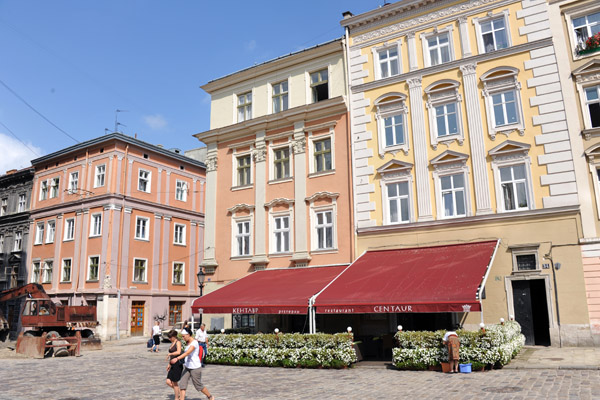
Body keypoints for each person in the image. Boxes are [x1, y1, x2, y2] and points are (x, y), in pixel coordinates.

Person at [170, 329, 214, 400]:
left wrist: (177, 359)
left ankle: (210, 396)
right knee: (182, 384)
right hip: (187, 367)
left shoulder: (194, 343)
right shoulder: (187, 342)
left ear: (188, 335)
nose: (183, 338)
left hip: (195, 368)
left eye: (184, 336)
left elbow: (187, 353)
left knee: (198, 386)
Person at [165, 330, 183, 400]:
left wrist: (170, 354)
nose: (169, 339)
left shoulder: (178, 342)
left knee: (175, 382)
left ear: (174, 336)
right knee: (168, 381)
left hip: (177, 364)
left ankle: (176, 397)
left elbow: (179, 352)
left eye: (170, 337)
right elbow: (172, 356)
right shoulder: (172, 342)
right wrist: (169, 364)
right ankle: (179, 392)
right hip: (172, 364)